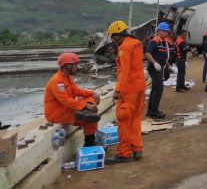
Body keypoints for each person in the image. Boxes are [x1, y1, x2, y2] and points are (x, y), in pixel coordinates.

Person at [106, 21, 145, 164]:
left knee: (123, 120)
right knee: (135, 120)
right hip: (139, 87)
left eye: (113, 38)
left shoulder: (124, 48)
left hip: (128, 90)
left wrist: (118, 90)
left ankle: (124, 153)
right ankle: (137, 149)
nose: (113, 41)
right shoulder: (136, 43)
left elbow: (124, 71)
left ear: (117, 36)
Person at [43, 52, 101, 147]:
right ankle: (89, 144)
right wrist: (85, 106)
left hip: (68, 108)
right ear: (67, 66)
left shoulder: (67, 77)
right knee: (91, 119)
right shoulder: (57, 81)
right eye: (75, 65)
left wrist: (92, 93)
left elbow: (77, 91)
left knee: (90, 98)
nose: (77, 67)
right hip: (57, 113)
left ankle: (84, 112)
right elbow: (65, 100)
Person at [145, 22, 171, 119]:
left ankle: (150, 110)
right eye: (164, 31)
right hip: (154, 68)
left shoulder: (164, 42)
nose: (166, 33)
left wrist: (168, 66)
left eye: (167, 32)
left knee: (155, 88)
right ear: (159, 31)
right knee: (159, 88)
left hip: (160, 68)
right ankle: (154, 111)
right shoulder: (155, 41)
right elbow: (147, 53)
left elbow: (163, 57)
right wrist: (155, 63)